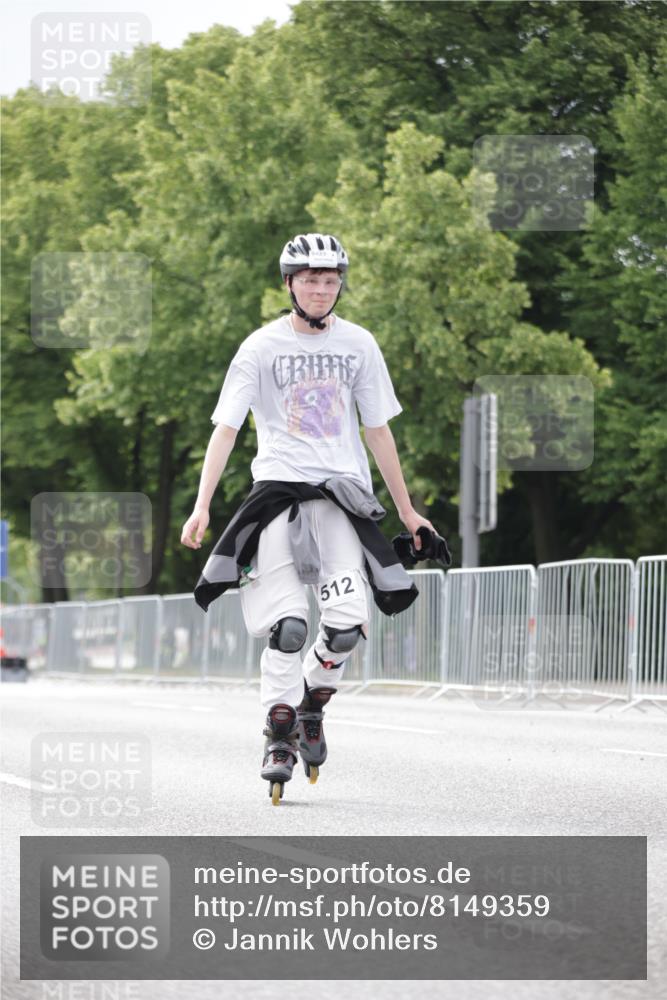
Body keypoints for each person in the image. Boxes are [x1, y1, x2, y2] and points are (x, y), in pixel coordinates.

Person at [181, 233, 435, 805]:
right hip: (278, 496)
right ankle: (278, 736)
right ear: (289, 284)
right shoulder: (260, 347)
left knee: (344, 625)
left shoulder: (359, 344)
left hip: (342, 497)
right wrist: (202, 503)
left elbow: (377, 430)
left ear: (339, 284)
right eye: (310, 280)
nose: (321, 289)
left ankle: (313, 701)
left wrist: (406, 510)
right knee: (289, 627)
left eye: (330, 280)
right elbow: (227, 428)